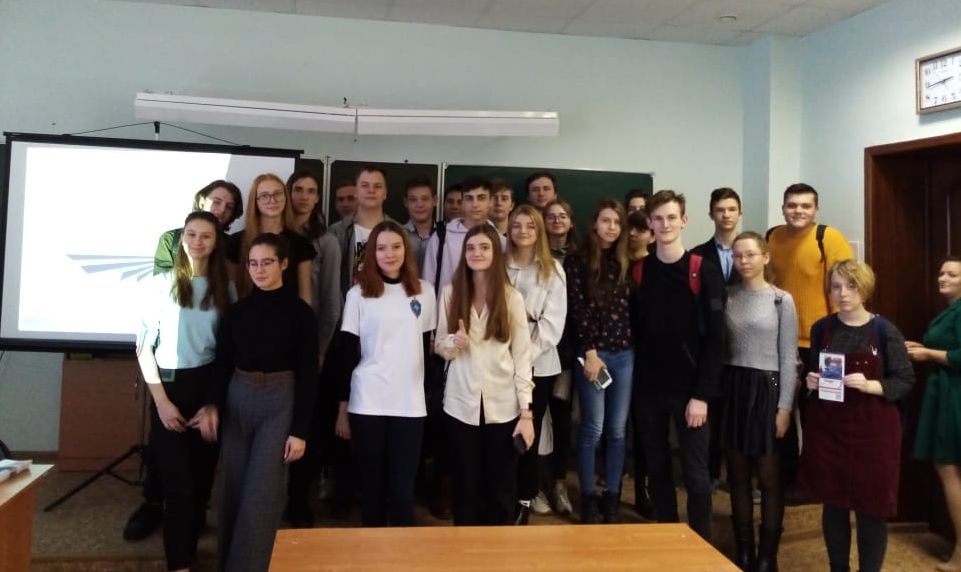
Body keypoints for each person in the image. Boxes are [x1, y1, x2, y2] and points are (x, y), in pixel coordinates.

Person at [125, 180, 243, 542]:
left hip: (208, 383)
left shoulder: (225, 284)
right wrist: (161, 400)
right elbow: (146, 344)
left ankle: (194, 514)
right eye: (216, 201)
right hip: (169, 381)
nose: (198, 241)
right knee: (165, 459)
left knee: (203, 462)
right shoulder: (164, 275)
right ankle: (155, 507)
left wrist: (214, 400)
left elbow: (225, 348)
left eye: (228, 206)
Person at [200, 233, 319, 572]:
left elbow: (309, 376)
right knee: (233, 491)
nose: (259, 270)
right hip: (238, 399)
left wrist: (300, 431)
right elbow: (222, 363)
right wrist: (213, 405)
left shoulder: (301, 314)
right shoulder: (237, 312)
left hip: (279, 402)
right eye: (253, 263)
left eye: (267, 262)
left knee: (262, 496)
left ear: (284, 264)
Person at [798, 259, 914, 572]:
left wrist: (871, 385)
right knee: (833, 505)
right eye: (836, 287)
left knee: (872, 509)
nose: (843, 293)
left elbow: (904, 380)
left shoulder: (884, 330)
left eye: (851, 286)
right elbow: (815, 375)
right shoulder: (821, 329)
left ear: (865, 288)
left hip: (874, 433)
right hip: (829, 430)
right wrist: (810, 382)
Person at [629, 190, 725, 541]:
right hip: (648, 390)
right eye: (658, 219)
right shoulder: (639, 271)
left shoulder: (703, 270)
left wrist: (702, 396)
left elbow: (716, 339)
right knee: (657, 469)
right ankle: (669, 540)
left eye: (672, 217)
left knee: (697, 476)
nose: (665, 224)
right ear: (650, 224)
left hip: (691, 393)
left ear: (684, 221)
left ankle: (701, 546)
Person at [333, 221, 436, 526]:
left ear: (406, 250)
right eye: (381, 248)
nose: (389, 254)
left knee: (403, 493)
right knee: (372, 490)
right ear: (371, 254)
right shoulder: (358, 294)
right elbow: (346, 354)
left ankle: (401, 550)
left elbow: (427, 351)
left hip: (410, 404)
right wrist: (342, 409)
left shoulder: (425, 292)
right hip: (368, 402)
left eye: (396, 247)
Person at [435, 224, 534, 525]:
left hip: (502, 407)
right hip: (460, 405)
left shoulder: (511, 297)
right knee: (465, 488)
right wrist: (454, 343)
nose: (476, 253)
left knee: (500, 489)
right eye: (470, 248)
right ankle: (465, 548)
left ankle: (498, 548)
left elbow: (522, 357)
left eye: (484, 247)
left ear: (496, 253)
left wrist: (526, 413)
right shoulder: (451, 292)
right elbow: (439, 345)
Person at [767, 183, 854, 491]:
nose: (798, 211)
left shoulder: (828, 238)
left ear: (816, 209)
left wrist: (840, 341)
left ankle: (823, 481)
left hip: (823, 345)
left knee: (822, 414)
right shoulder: (772, 237)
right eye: (792, 205)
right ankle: (790, 480)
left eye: (805, 206)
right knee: (782, 412)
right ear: (783, 208)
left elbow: (845, 291)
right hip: (780, 344)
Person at [722, 232, 798, 572]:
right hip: (734, 388)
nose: (744, 261)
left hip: (768, 388)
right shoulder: (727, 296)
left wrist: (785, 407)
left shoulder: (782, 300)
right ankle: (744, 550)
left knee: (769, 477)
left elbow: (788, 357)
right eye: (738, 255)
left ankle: (768, 555)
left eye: (751, 254)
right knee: (737, 476)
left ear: (765, 257)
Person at [564, 199, 634, 524]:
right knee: (593, 427)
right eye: (606, 221)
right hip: (593, 355)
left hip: (625, 354)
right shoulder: (577, 261)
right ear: (594, 224)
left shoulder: (625, 261)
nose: (612, 227)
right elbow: (577, 308)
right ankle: (589, 497)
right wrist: (590, 351)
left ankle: (612, 497)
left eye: (617, 222)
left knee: (617, 431)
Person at [284, 169, 342, 527]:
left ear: (318, 197)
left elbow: (331, 302)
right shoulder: (274, 236)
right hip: (274, 347)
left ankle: (298, 500)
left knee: (305, 425)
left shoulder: (327, 241)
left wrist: (319, 352)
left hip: (311, 348)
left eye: (311, 191)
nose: (304, 196)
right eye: (298, 190)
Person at [505, 205, 567, 524]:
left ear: (540, 230)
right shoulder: (498, 264)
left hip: (537, 365)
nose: (523, 231)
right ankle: (502, 492)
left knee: (528, 432)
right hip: (498, 364)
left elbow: (552, 325)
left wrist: (521, 357)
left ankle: (524, 498)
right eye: (517, 225)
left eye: (530, 225)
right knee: (501, 430)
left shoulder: (552, 270)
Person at [909, 256, 961, 572]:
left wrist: (927, 353)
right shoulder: (950, 310)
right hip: (945, 393)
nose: (943, 278)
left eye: (952, 274)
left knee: (949, 469)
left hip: (955, 397)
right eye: (942, 272)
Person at [692, 187, 743, 495]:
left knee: (738, 416)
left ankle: (740, 479)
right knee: (709, 415)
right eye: (720, 209)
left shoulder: (750, 252)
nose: (726, 215)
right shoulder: (697, 255)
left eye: (731, 209)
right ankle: (709, 473)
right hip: (709, 346)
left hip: (743, 346)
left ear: (739, 213)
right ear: (711, 213)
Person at [227, 174, 316, 306]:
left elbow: (305, 297)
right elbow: (231, 294)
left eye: (277, 194)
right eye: (264, 196)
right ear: (255, 201)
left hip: (289, 317)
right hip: (246, 317)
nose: (272, 200)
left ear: (286, 197)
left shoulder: (301, 244)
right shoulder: (236, 242)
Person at [543, 198, 578, 516]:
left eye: (562, 216)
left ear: (571, 221)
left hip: (566, 353)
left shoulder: (580, 257)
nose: (556, 221)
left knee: (561, 419)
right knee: (535, 418)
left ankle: (557, 482)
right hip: (535, 352)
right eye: (550, 216)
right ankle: (533, 485)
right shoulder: (533, 254)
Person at [423, 176, 505, 295]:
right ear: (462, 202)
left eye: (481, 198)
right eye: (469, 198)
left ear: (491, 201)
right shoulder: (441, 237)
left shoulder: (500, 241)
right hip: (447, 305)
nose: (475, 204)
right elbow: (427, 283)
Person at [625, 209, 656, 520]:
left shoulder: (656, 266)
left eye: (640, 229)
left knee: (644, 426)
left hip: (647, 357)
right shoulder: (615, 263)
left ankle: (642, 487)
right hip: (616, 353)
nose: (634, 234)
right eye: (629, 228)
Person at [154, 180, 244, 274]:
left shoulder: (233, 245)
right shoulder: (171, 240)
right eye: (216, 202)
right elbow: (160, 280)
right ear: (201, 202)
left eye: (229, 207)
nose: (222, 209)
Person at [330, 166, 393, 298]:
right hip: (347, 307)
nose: (371, 190)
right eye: (365, 185)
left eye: (377, 186)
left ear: (385, 193)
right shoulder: (336, 233)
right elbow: (330, 283)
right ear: (356, 192)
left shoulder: (400, 233)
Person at [401, 176, 439, 273]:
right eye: (413, 200)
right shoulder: (397, 234)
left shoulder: (445, 236)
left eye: (425, 199)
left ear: (435, 201)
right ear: (406, 202)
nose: (419, 204)